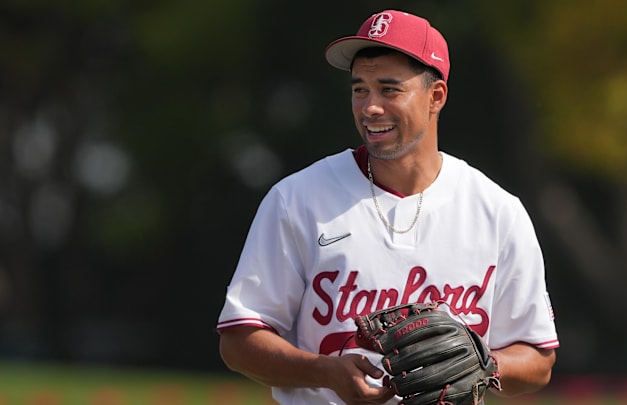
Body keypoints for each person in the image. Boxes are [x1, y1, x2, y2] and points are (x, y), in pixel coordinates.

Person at [217, 9, 559, 405]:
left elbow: (538, 359)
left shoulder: (497, 212)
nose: (369, 107)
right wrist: (324, 371)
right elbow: (238, 340)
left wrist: (487, 366)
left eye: (389, 89)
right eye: (359, 89)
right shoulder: (297, 199)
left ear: (436, 97)